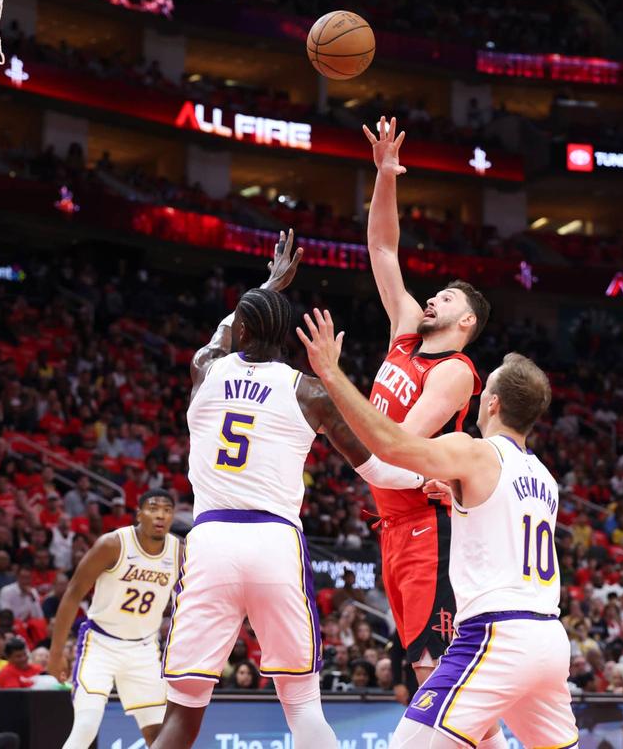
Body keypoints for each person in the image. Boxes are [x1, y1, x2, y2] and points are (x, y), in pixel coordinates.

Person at [154, 234, 428, 749]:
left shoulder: (205, 368)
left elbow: (223, 331)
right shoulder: (310, 391)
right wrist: (424, 478)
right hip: (274, 543)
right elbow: (376, 468)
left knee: (182, 713)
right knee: (301, 705)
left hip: (211, 541)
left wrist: (270, 283)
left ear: (243, 329)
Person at [298, 313, 579, 748]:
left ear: (493, 403)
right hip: (548, 640)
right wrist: (455, 495)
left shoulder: (475, 452)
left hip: (495, 637)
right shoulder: (545, 479)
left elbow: (393, 446)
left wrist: (331, 374)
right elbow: (500, 519)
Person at [362, 118, 488, 702]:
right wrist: (386, 175)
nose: (434, 295)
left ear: (465, 322)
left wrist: (334, 407)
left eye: (450, 297)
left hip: (425, 526)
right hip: (390, 524)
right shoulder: (406, 332)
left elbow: (398, 441)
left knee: (434, 675)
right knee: (420, 678)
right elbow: (384, 249)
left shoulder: (455, 373)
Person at [47, 490, 180, 748]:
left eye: (167, 509)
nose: (160, 515)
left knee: (159, 735)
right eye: (153, 508)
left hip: (143, 649)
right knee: (86, 727)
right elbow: (73, 594)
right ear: (139, 514)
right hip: (100, 643)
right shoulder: (113, 544)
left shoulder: (179, 552)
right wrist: (56, 652)